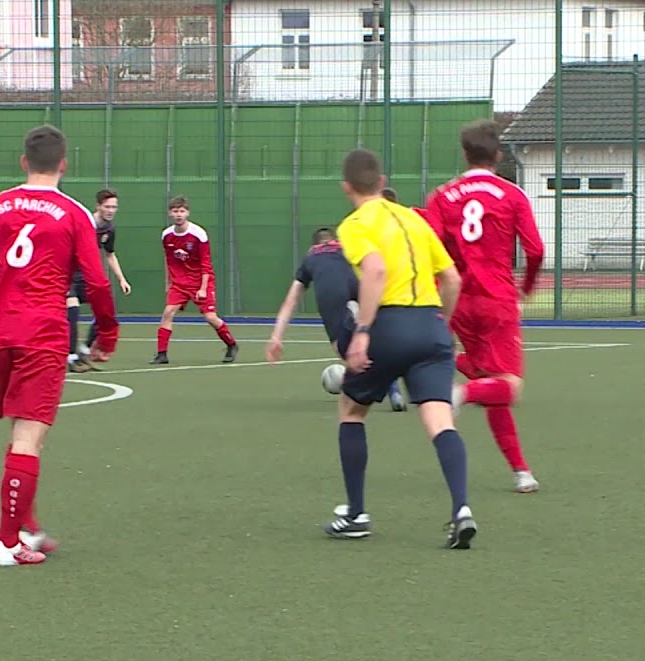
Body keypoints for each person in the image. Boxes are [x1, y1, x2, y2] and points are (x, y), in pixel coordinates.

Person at [0, 124, 121, 567]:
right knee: (29, 434)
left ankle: (26, 526)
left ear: (24, 162)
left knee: (23, 431)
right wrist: (107, 332)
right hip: (42, 334)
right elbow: (96, 281)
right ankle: (7, 543)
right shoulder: (73, 213)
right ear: (63, 165)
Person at [326, 148, 476, 549]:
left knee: (351, 409)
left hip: (388, 326)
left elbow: (375, 269)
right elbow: (452, 279)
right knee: (440, 419)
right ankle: (461, 509)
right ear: (381, 181)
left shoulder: (355, 224)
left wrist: (362, 331)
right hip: (430, 325)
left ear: (346, 188)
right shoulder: (414, 219)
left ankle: (356, 514)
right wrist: (442, 323)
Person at [424, 119, 545, 494]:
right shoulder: (511, 194)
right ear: (498, 155)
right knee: (510, 387)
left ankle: (521, 471)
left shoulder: (443, 196)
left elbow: (430, 251)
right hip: (497, 299)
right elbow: (535, 250)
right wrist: (526, 288)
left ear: (465, 154)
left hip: (459, 301)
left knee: (489, 379)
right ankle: (459, 394)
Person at [266, 227, 406, 411]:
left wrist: (276, 336)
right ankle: (394, 389)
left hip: (332, 295)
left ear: (314, 245)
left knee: (345, 350)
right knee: (377, 338)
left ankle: (362, 378)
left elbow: (291, 300)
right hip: (362, 284)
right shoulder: (348, 247)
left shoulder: (311, 256)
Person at [152, 196, 238, 364]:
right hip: (179, 283)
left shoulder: (198, 234)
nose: (178, 215)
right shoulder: (166, 235)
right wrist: (168, 283)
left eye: (182, 211)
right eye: (175, 211)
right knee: (168, 313)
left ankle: (231, 344)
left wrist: (203, 288)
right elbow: (168, 260)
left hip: (200, 282)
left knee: (211, 318)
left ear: (187, 213)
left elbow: (206, 262)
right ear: (170, 213)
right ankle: (162, 354)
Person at [68, 188, 131, 372]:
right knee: (72, 311)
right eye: (107, 207)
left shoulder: (109, 229)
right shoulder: (85, 223)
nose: (111, 210)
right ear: (98, 206)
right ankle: (71, 358)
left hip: (88, 276)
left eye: (114, 207)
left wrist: (122, 279)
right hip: (70, 276)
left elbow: (110, 255)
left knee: (105, 310)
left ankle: (85, 351)